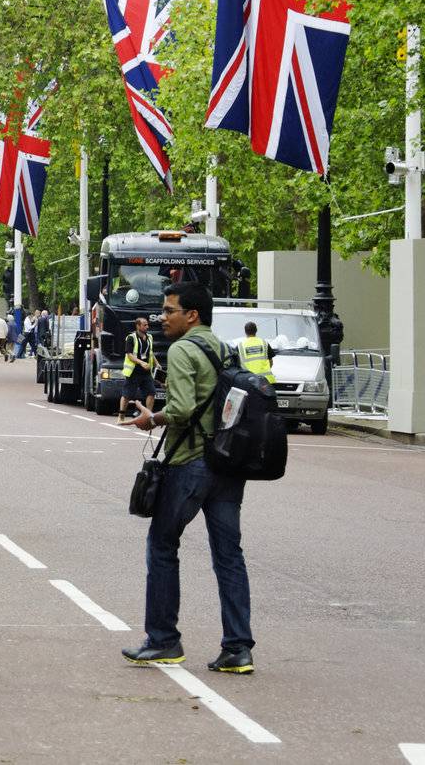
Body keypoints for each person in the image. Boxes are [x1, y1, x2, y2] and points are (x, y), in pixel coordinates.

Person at [123, 281, 254, 675]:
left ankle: (164, 639)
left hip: (191, 462)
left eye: (169, 310)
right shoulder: (223, 348)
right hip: (228, 464)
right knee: (229, 556)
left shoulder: (182, 349)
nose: (162, 317)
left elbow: (179, 409)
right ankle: (238, 648)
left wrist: (151, 418)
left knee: (162, 545)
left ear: (191, 315)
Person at [119, 316, 158, 421]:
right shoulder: (131, 338)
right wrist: (141, 363)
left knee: (151, 393)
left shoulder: (149, 337)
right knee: (127, 395)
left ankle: (148, 416)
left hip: (146, 372)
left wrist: (156, 363)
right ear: (138, 326)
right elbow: (129, 355)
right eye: (144, 325)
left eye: (147, 324)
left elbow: (150, 352)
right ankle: (121, 416)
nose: (147, 327)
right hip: (134, 371)